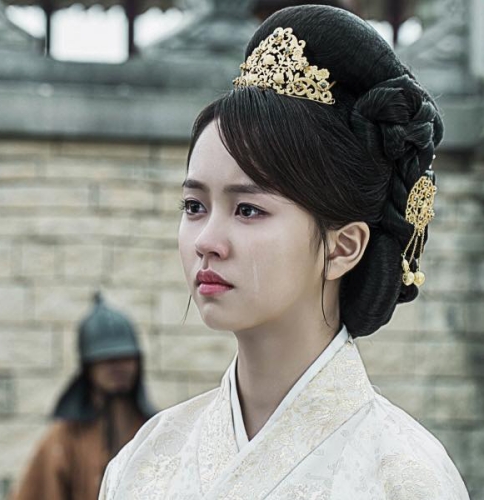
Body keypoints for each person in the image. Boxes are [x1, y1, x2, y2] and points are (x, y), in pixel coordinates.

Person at [99, 5, 471, 500]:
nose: (206, 240)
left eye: (248, 210)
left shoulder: (403, 478)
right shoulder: (144, 462)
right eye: (194, 206)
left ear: (342, 247)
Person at [10, 291, 155, 500]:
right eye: (106, 358)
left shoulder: (153, 431)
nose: (118, 366)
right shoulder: (63, 439)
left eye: (126, 357)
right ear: (88, 366)